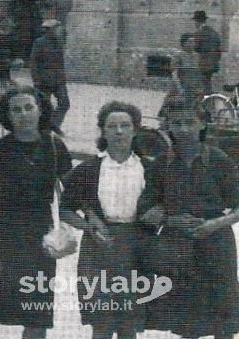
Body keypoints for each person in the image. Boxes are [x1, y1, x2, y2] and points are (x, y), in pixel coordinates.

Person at [0, 85, 72, 339]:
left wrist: (68, 229)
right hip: (2, 239)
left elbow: (70, 195)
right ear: (8, 115)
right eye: (16, 109)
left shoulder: (54, 147)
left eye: (29, 107)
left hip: (38, 241)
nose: (24, 114)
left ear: (40, 110)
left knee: (36, 316)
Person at [144, 94, 239, 339]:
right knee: (186, 323)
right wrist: (167, 219)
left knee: (222, 321)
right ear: (168, 126)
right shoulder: (161, 164)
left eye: (190, 122)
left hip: (217, 246)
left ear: (202, 124)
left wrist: (214, 224)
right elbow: (146, 211)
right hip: (179, 247)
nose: (184, 129)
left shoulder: (219, 161)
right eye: (177, 123)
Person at [60, 102, 155, 339]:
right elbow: (65, 210)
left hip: (138, 247)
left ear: (136, 130)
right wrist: (87, 225)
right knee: (101, 322)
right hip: (99, 248)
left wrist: (159, 211)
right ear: (103, 131)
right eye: (112, 126)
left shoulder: (150, 168)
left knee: (129, 322)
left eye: (125, 125)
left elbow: (167, 202)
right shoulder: (88, 170)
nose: (119, 132)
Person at [30, 18, 69, 134]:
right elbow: (33, 62)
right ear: (49, 30)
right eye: (55, 28)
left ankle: (54, 124)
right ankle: (43, 128)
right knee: (44, 107)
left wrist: (63, 78)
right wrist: (36, 80)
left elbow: (60, 61)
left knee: (65, 103)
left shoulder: (59, 42)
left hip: (58, 79)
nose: (58, 30)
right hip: (44, 80)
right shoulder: (39, 42)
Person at [193, 10, 222, 95]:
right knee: (208, 84)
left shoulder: (199, 33)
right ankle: (209, 100)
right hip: (214, 64)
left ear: (197, 21)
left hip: (204, 64)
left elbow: (195, 48)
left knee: (202, 85)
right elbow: (218, 49)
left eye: (195, 21)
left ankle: (206, 103)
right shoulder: (214, 32)